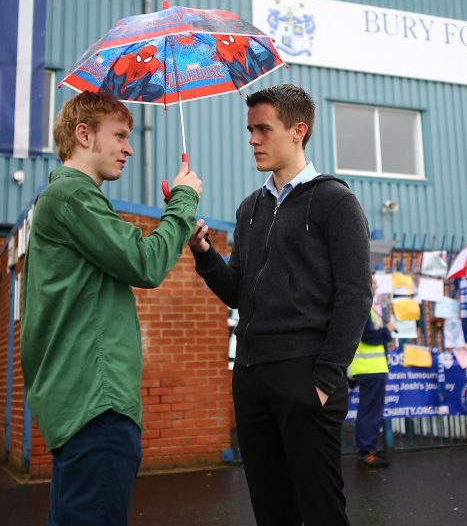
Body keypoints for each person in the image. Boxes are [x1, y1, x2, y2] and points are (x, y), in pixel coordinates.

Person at [188, 83, 371, 526]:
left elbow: (355, 295)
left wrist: (324, 381)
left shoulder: (335, 200)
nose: (252, 139)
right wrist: (205, 255)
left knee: (321, 509)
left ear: (298, 131)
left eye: (262, 129)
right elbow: (238, 292)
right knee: (272, 512)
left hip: (304, 376)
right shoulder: (249, 208)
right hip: (251, 376)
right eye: (250, 129)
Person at [21, 91, 203, 526]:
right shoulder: (71, 197)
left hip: (83, 404)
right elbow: (145, 263)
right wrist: (183, 200)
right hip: (96, 405)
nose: (129, 148)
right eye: (119, 135)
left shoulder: (69, 200)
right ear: (83, 135)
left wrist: (176, 222)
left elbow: (136, 254)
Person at [350, 277, 397, 469]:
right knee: (370, 411)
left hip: (372, 368)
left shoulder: (367, 307)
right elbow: (368, 337)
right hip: (369, 368)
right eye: (373, 282)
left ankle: (369, 447)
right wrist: (387, 331)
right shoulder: (362, 306)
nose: (376, 285)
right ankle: (366, 451)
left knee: (371, 410)